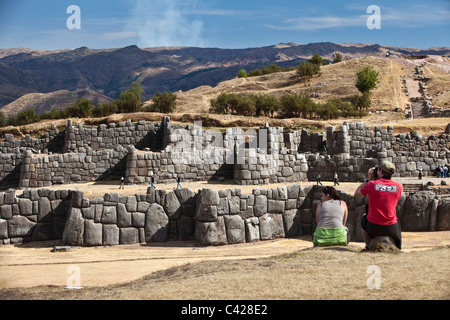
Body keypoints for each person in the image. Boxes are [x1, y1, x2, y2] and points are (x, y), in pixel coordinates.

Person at [354, 160, 403, 251]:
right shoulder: (399, 186)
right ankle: (398, 247)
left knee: (364, 218)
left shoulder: (371, 184)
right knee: (397, 219)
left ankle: (368, 245)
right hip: (391, 227)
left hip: (373, 227)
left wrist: (368, 179)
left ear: (380, 170)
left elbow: (356, 193)